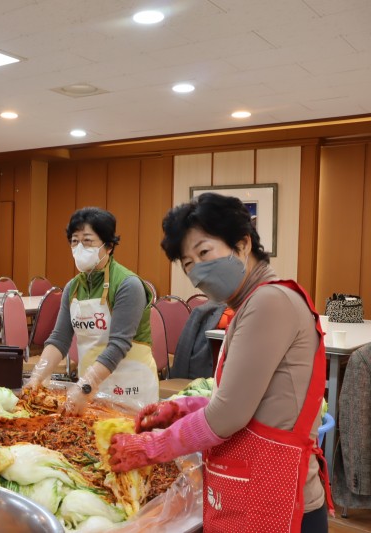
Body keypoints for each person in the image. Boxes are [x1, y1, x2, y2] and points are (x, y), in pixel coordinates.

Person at [108, 193, 333, 533]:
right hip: (256, 492)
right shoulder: (252, 303)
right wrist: (183, 407)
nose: (197, 269)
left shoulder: (269, 302)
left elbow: (228, 415)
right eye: (187, 263)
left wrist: (153, 446)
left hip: (279, 504)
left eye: (204, 252)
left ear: (242, 244)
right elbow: (251, 401)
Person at [24, 207, 158, 413]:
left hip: (131, 386)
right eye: (74, 241)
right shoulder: (73, 287)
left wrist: (86, 386)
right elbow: (59, 339)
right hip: (90, 386)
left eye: (87, 241)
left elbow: (119, 344)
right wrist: (37, 377)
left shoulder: (128, 285)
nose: (79, 247)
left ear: (109, 246)